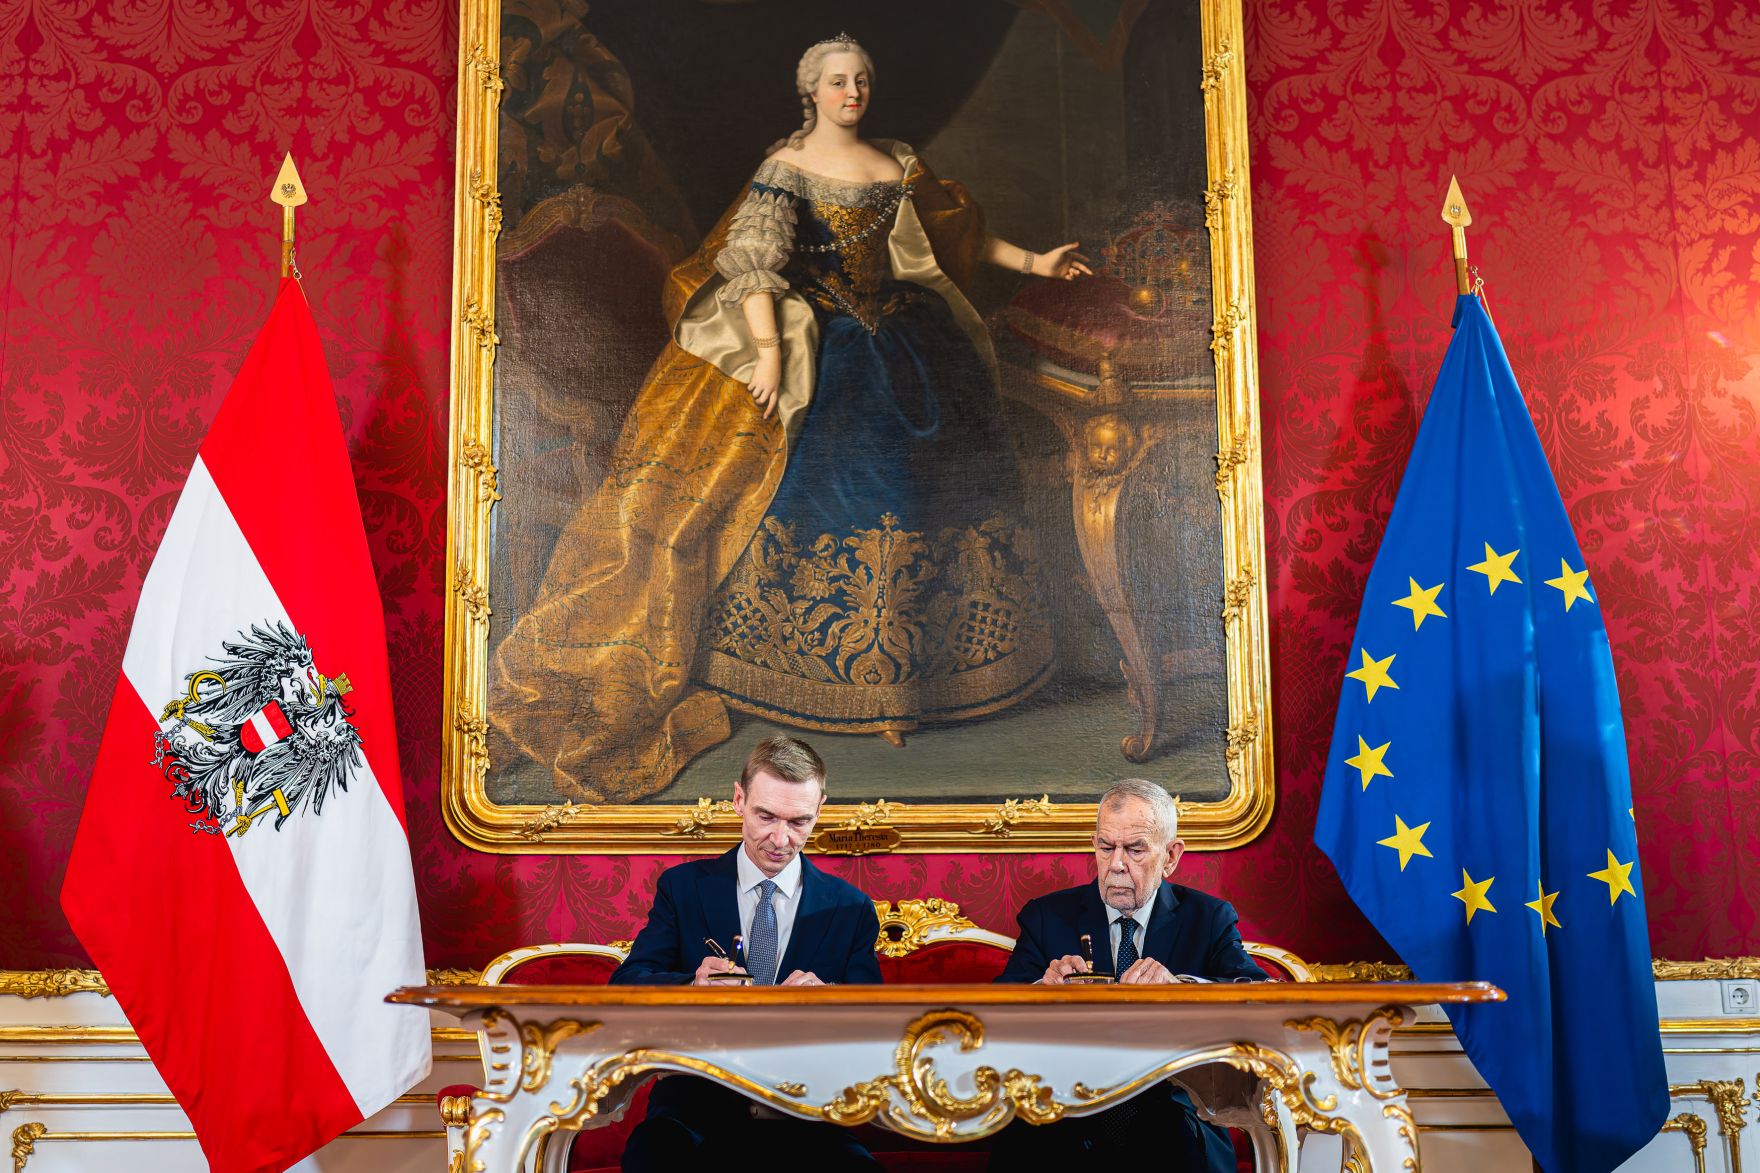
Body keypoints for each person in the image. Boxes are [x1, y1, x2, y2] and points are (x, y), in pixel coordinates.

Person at [490, 33, 1092, 803]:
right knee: (843, 461)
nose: (854, 93)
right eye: (839, 82)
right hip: (819, 344)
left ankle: (930, 672)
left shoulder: (896, 160)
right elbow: (753, 268)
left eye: (862, 81)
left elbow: (954, 237)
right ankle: (799, 670)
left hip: (907, 338)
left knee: (945, 462)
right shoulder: (786, 170)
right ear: (811, 91)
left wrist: (1036, 263)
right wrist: (770, 356)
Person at [610, 736, 882, 1170]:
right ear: (738, 800)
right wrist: (692, 984)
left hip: (807, 1114)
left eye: (799, 822)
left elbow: (877, 1024)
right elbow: (628, 983)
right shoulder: (682, 889)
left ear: (820, 810)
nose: (781, 839)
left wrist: (830, 996)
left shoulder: (850, 908)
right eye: (766, 816)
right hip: (693, 1111)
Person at [992, 778, 1263, 1169]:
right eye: (1106, 847)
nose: (1117, 864)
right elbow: (995, 1010)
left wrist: (1180, 988)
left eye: (1135, 849)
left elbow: (1254, 992)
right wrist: (1040, 988)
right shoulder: (1047, 917)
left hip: (1171, 1110)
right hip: (1064, 1108)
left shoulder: (1207, 918)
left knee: (1168, 1137)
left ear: (1170, 856)